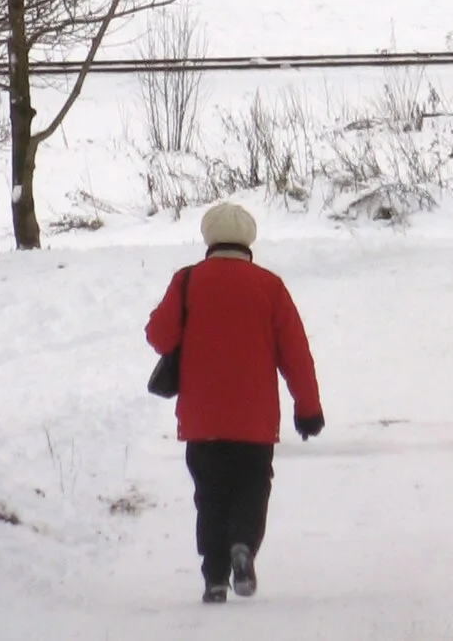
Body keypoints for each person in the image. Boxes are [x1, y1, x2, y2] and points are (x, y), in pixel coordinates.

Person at [146, 201, 324, 604]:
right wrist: (308, 407)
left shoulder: (187, 281)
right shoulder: (270, 286)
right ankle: (243, 545)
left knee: (209, 495)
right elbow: (295, 352)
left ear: (208, 238)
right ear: (249, 240)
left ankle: (214, 578)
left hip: (202, 416)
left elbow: (159, 335)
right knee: (251, 487)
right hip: (254, 419)